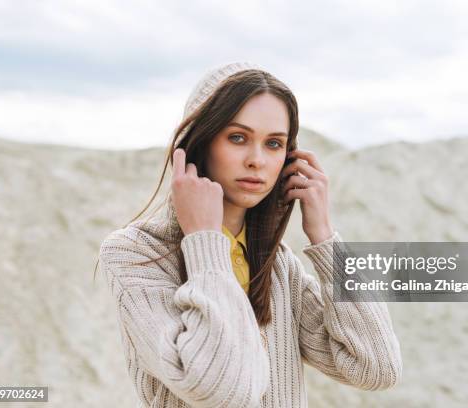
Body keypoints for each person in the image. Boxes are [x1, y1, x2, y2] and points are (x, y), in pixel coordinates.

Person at [98, 61, 403, 408]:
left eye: (274, 143)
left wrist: (325, 237)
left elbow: (376, 368)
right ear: (200, 143)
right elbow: (222, 388)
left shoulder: (278, 268)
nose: (257, 160)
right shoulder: (135, 254)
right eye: (238, 138)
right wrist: (205, 244)